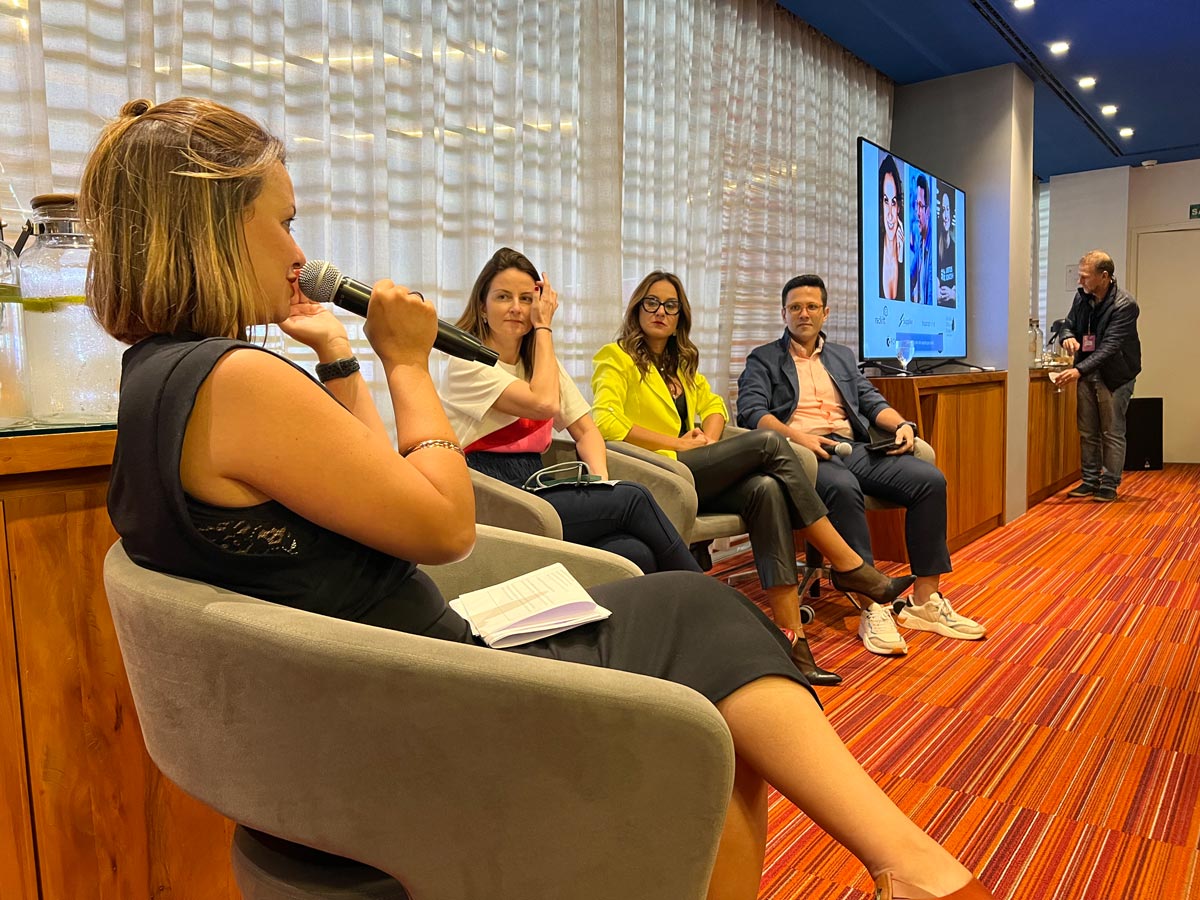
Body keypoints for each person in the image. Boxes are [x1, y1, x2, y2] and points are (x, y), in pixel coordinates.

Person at [83, 96, 991, 900]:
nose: (299, 252)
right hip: (428, 695)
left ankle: (906, 863)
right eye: (283, 223)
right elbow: (444, 523)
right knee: (706, 615)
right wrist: (407, 364)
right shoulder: (237, 382)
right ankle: (912, 863)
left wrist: (340, 356)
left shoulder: (160, 379)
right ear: (211, 227)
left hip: (366, 691)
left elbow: (379, 484)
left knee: (694, 617)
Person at [591, 270, 916, 686]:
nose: (660, 312)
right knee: (769, 442)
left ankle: (793, 642)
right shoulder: (615, 358)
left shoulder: (680, 362)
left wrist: (708, 440)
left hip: (693, 465)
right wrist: (678, 443)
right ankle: (848, 563)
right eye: (651, 303)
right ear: (637, 308)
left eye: (671, 306)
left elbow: (714, 406)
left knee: (766, 490)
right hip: (659, 472)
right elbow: (605, 422)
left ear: (680, 316)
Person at [736, 274, 986, 656]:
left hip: (852, 447)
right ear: (783, 313)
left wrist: (902, 425)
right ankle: (873, 605)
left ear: (825, 313)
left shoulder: (840, 356)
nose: (804, 314)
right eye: (795, 307)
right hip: (803, 454)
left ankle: (924, 601)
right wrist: (798, 437)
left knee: (929, 481)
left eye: (812, 307)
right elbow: (752, 412)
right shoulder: (764, 358)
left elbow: (870, 400)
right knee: (843, 488)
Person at [440, 247, 699, 574]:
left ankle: (674, 602)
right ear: (483, 305)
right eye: (503, 297)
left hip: (534, 485)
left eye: (526, 298)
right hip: (493, 496)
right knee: (633, 497)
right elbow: (543, 403)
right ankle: (705, 593)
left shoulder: (541, 364)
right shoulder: (467, 362)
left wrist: (600, 485)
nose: (516, 308)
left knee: (635, 552)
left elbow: (587, 431)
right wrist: (544, 328)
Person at [1055, 250, 1142, 502]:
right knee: (1087, 431)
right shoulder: (1082, 297)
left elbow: (1109, 347)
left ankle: (1109, 484)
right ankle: (1090, 480)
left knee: (1111, 431)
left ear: (1104, 276)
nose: (1079, 281)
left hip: (1115, 375)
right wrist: (1067, 336)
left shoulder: (1125, 305)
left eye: (1085, 276)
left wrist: (1078, 370)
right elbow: (1068, 324)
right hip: (1087, 371)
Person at [879, 154, 904, 301]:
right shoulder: (873, 252)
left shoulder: (906, 258)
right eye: (885, 201)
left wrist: (901, 258)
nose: (890, 214)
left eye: (893, 202)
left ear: (899, 207)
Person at [909, 174, 933, 305]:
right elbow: (911, 277)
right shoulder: (919, 242)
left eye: (920, 206)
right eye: (915, 206)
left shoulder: (932, 247)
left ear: (928, 211)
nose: (917, 213)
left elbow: (930, 299)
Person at [936, 187, 956, 308]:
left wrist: (953, 295)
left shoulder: (955, 250)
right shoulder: (934, 249)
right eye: (943, 210)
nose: (945, 216)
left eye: (948, 209)